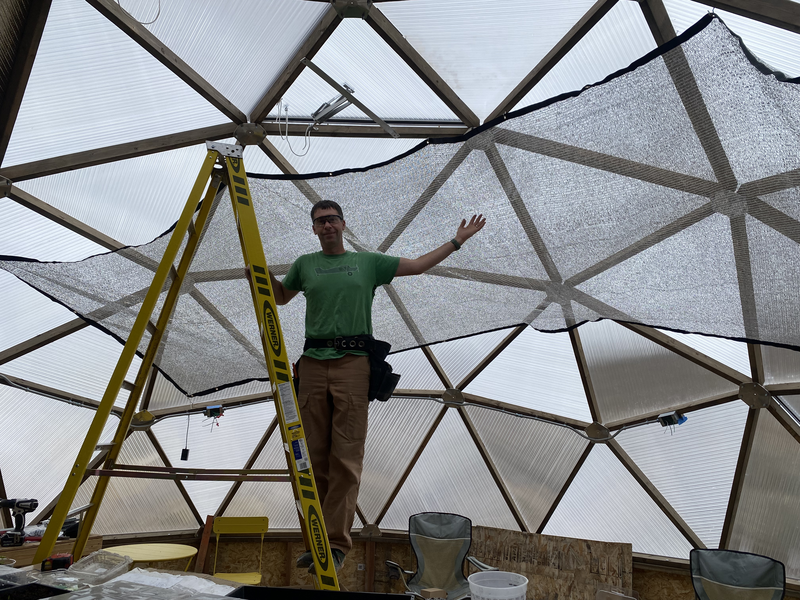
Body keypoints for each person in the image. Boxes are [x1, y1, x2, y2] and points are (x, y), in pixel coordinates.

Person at [269, 200, 485, 573]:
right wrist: (257, 275)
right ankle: (316, 541)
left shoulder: (368, 262)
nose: (327, 226)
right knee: (311, 456)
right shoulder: (305, 264)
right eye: (320, 222)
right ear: (314, 229)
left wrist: (457, 240)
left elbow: (416, 266)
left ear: (343, 223)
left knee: (346, 456)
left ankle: (336, 545)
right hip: (313, 364)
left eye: (332, 219)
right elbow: (281, 296)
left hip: (354, 365)